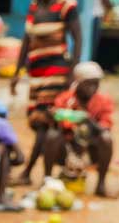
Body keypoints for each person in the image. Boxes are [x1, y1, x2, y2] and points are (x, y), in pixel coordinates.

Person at [11, 0, 82, 184]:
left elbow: (77, 38)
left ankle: (29, 173)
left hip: (56, 74)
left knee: (45, 122)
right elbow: (26, 41)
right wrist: (17, 71)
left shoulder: (66, 6)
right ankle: (44, 172)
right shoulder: (34, 7)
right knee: (39, 122)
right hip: (37, 75)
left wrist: (72, 72)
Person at [48, 61, 115, 196]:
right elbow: (59, 124)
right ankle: (47, 180)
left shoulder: (104, 101)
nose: (94, 87)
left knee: (107, 139)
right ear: (79, 82)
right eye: (89, 83)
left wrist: (88, 120)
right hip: (68, 147)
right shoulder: (65, 99)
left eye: (96, 83)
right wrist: (54, 116)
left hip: (91, 150)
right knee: (52, 135)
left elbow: (105, 127)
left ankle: (101, 185)